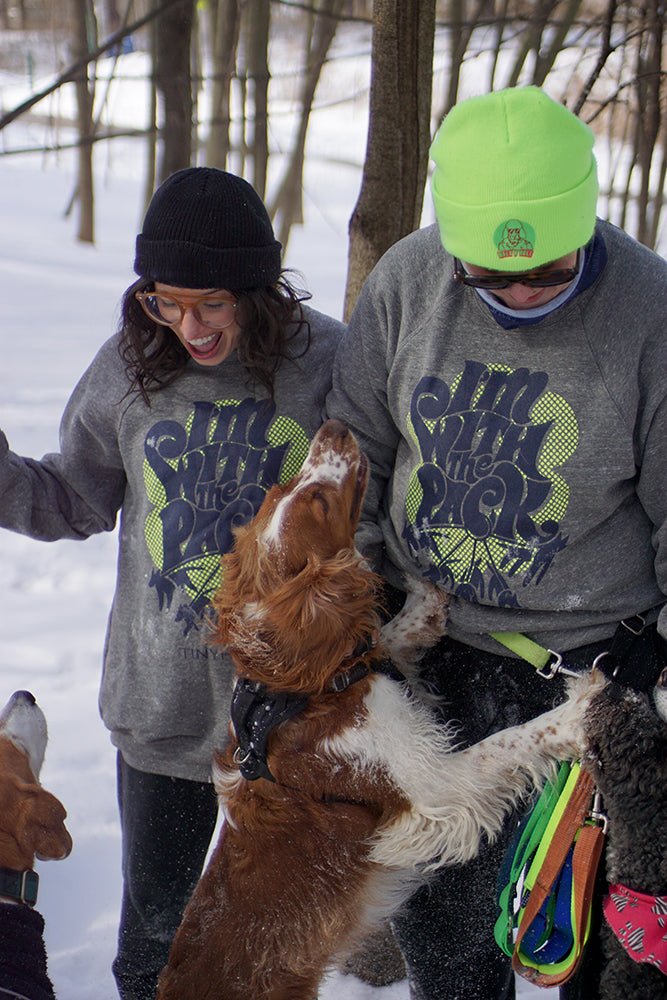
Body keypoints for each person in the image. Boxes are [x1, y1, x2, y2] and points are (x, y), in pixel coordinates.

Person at [326, 85, 667, 1000]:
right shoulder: (405, 282)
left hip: (596, 675)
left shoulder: (651, 313)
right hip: (437, 656)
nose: (519, 293)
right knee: (447, 944)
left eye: (548, 272)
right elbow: (353, 459)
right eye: (490, 275)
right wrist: (355, 621)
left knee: (601, 948)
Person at [0, 166, 344, 1000]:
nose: (187, 325)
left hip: (295, 717)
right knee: (152, 944)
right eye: (165, 301)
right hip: (164, 710)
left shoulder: (328, 361)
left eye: (210, 305)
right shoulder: (128, 368)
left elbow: (367, 512)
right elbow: (74, 495)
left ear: (257, 291)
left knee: (272, 951)